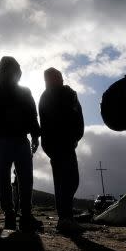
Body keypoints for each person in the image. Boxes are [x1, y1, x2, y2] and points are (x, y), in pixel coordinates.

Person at [0, 56, 42, 232]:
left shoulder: (24, 91)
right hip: (2, 139)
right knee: (8, 178)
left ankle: (24, 214)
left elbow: (32, 115)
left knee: (23, 178)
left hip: (19, 139)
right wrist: (1, 118)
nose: (13, 74)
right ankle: (11, 214)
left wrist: (36, 136)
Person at [39, 67, 84, 233]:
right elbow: (51, 120)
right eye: (56, 77)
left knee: (65, 181)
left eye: (59, 76)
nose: (60, 79)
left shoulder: (67, 93)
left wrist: (76, 136)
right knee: (69, 180)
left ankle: (65, 218)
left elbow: (78, 116)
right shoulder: (50, 96)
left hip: (64, 143)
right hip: (58, 144)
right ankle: (65, 218)